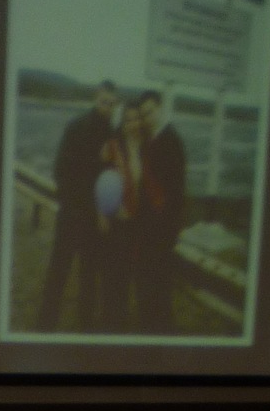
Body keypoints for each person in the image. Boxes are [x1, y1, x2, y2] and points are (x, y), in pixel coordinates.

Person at [34, 80, 116, 333]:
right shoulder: (76, 127)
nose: (107, 107)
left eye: (111, 104)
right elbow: (61, 170)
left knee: (88, 277)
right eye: (104, 102)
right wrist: (70, 205)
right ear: (95, 98)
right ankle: (45, 327)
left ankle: (85, 329)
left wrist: (104, 210)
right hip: (72, 213)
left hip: (94, 217)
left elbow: (110, 177)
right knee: (59, 272)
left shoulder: (113, 135)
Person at [137, 88, 188, 333]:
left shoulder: (171, 141)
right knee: (149, 285)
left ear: (160, 109)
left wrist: (169, 231)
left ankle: (163, 335)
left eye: (150, 112)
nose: (147, 118)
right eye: (143, 114)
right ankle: (151, 330)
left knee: (160, 288)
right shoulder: (151, 139)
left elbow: (176, 193)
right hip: (149, 227)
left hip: (162, 229)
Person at [97, 99, 145, 332]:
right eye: (128, 120)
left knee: (127, 276)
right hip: (116, 222)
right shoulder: (112, 147)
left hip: (138, 223)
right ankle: (109, 324)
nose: (133, 124)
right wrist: (101, 213)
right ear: (122, 124)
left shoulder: (148, 148)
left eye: (136, 119)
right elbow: (101, 180)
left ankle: (120, 325)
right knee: (111, 276)